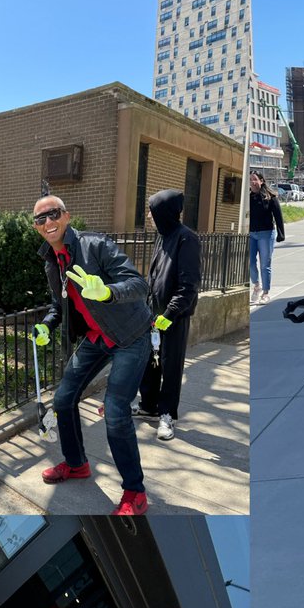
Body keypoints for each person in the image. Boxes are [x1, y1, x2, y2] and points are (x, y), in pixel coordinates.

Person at [31, 195, 153, 516]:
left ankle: (135, 492)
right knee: (63, 399)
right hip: (96, 337)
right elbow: (58, 304)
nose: (47, 222)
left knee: (115, 411)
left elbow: (139, 285)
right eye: (40, 219)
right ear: (36, 227)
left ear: (66, 216)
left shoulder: (96, 245)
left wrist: (107, 292)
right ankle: (77, 464)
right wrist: (46, 325)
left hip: (130, 335)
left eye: (53, 214)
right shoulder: (51, 261)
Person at [137, 190, 200, 444]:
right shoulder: (163, 237)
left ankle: (167, 414)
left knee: (170, 365)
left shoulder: (187, 239)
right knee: (151, 362)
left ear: (163, 212)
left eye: (152, 212)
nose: (149, 217)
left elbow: (189, 284)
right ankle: (149, 405)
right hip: (154, 313)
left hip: (174, 316)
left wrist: (170, 313)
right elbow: (155, 276)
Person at [249, 171, 285, 305]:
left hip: (266, 233)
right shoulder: (248, 197)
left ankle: (265, 293)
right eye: (250, 180)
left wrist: (281, 233)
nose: (252, 182)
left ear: (261, 181)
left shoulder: (270, 197)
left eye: (255, 179)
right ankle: (256, 286)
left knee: (265, 264)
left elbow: (278, 216)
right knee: (250, 262)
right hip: (251, 234)